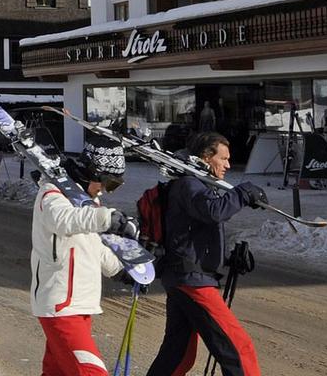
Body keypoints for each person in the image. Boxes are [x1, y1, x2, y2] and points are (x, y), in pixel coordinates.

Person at [146, 132, 267, 376]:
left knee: (178, 354)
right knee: (239, 350)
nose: (228, 165)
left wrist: (224, 258)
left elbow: (193, 230)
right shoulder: (189, 184)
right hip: (192, 281)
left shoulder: (193, 184)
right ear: (206, 157)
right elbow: (213, 211)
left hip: (185, 276)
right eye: (223, 159)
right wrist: (243, 193)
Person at [31, 138, 139, 376]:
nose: (104, 190)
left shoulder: (88, 201)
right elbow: (64, 221)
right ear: (92, 173)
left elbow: (92, 245)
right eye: (107, 183)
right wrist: (108, 219)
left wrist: (120, 271)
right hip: (60, 306)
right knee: (91, 371)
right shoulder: (53, 193)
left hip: (80, 305)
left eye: (114, 186)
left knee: (57, 371)